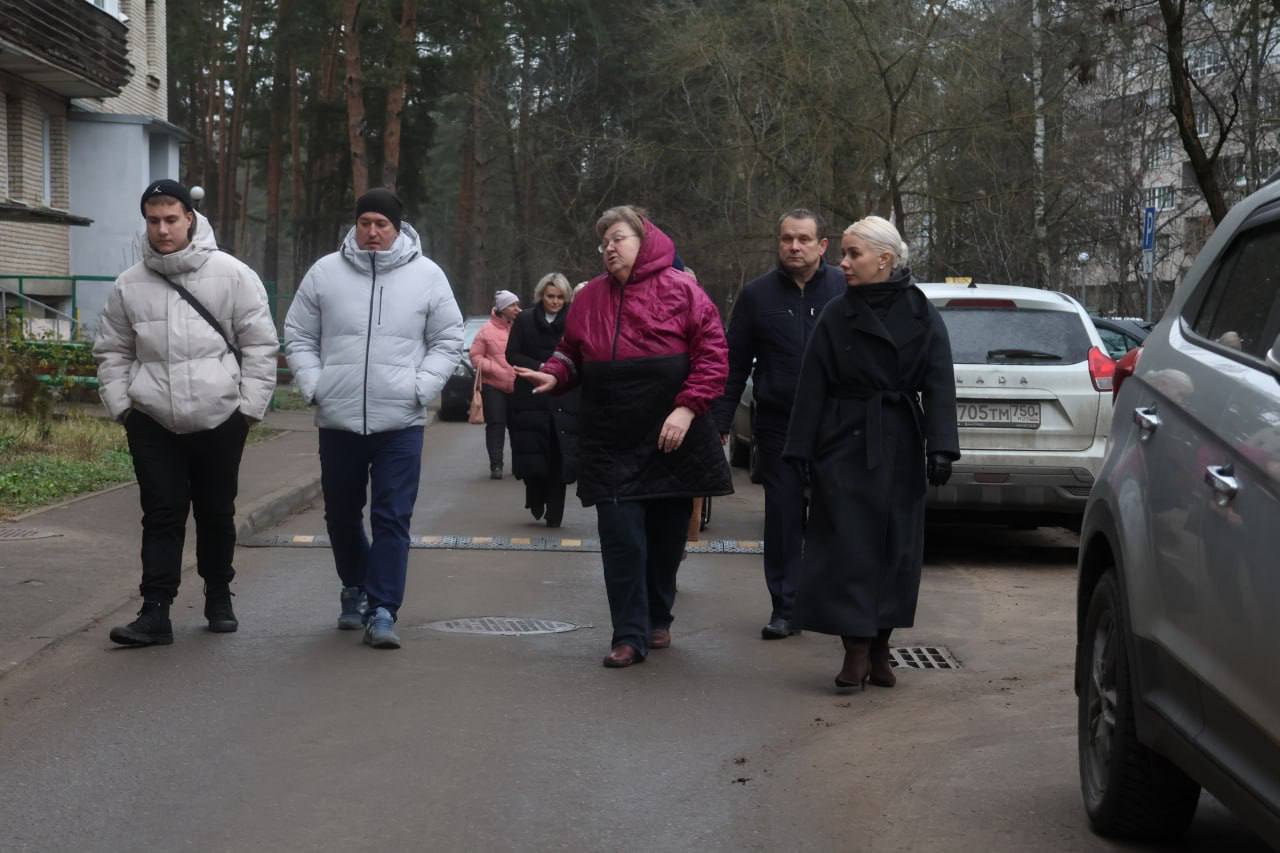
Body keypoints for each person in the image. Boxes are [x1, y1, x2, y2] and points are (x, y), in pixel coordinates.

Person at [514, 205, 732, 668]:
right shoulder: (590, 296)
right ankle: (628, 635)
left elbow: (713, 357)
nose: (609, 249)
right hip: (611, 435)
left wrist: (687, 408)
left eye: (618, 238)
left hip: (671, 435)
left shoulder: (685, 292)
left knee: (667, 537)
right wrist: (556, 374)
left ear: (644, 240)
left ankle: (658, 615)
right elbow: (571, 351)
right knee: (621, 538)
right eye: (604, 243)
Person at [94, 179, 279, 647]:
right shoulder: (129, 284)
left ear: (190, 219)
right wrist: (124, 407)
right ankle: (155, 612)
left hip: (221, 418)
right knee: (161, 513)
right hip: (152, 419)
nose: (162, 229)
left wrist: (248, 410)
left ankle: (219, 597)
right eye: (153, 221)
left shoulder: (232, 274)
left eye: (171, 219)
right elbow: (112, 350)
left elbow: (260, 346)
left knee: (216, 512)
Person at [782, 215, 959, 692]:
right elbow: (812, 385)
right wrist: (799, 451)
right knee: (847, 547)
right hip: (843, 442)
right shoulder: (838, 313)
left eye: (853, 254)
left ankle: (881, 646)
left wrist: (941, 447)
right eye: (843, 254)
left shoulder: (921, 312)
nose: (843, 263)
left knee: (896, 548)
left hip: (900, 439)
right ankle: (855, 650)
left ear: (885, 259)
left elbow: (940, 381)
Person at [285, 187, 464, 650]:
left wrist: (420, 389)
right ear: (355, 225)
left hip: (400, 423)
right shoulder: (325, 273)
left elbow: (448, 338)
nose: (372, 232)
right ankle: (355, 585)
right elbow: (299, 334)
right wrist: (315, 385)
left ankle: (383, 609)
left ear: (398, 227)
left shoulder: (427, 276)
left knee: (392, 517)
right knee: (342, 515)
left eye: (381, 224)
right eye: (365, 222)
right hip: (339, 419)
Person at [712, 209, 845, 640]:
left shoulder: (845, 290)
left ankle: (830, 606)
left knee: (834, 519)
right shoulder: (757, 296)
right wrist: (722, 421)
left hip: (836, 426)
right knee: (784, 518)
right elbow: (734, 364)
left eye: (804, 239)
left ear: (822, 246)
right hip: (778, 425)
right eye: (787, 238)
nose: (795, 247)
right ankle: (785, 608)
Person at [506, 273, 579, 527]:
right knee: (533, 454)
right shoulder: (525, 319)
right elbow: (511, 353)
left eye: (560, 297)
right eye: (550, 296)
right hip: (530, 395)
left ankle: (556, 510)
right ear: (541, 296)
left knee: (559, 453)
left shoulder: (574, 320)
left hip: (563, 394)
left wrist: (560, 372)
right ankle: (536, 496)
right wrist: (540, 367)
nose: (555, 302)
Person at [470, 290, 521, 479]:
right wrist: (494, 368)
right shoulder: (486, 330)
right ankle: (496, 465)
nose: (517, 309)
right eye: (512, 305)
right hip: (493, 386)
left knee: (518, 427)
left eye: (517, 305)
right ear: (502, 309)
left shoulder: (520, 327)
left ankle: (519, 466)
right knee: (496, 425)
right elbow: (475, 357)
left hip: (517, 385)